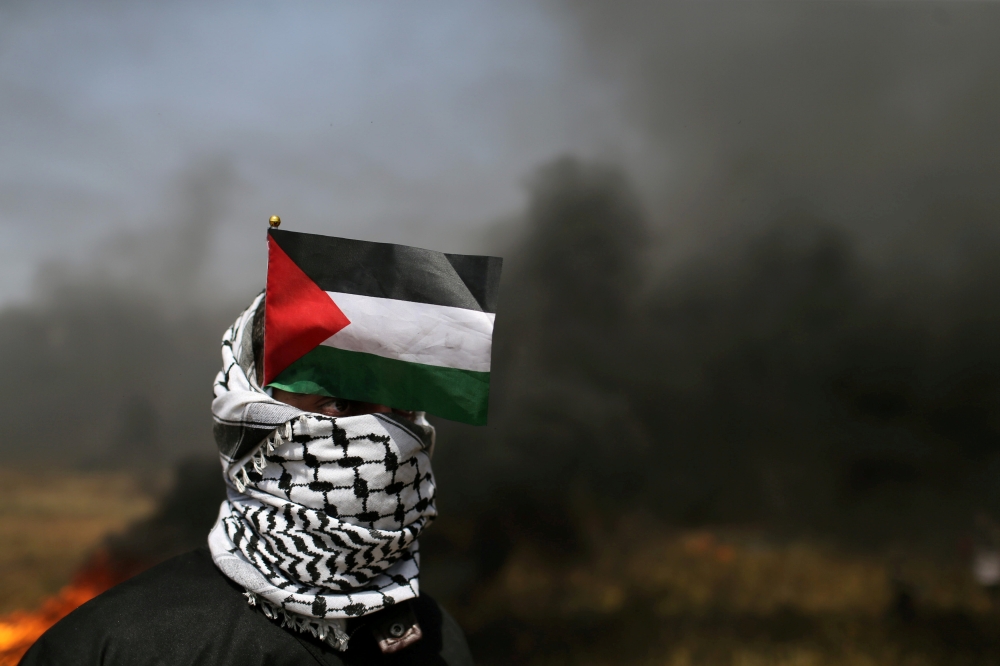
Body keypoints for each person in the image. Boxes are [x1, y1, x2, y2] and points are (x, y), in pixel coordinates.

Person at [21, 294, 475, 665]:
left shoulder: (436, 637)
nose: (386, 439)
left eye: (399, 411)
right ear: (252, 420)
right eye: (339, 404)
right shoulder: (120, 647)